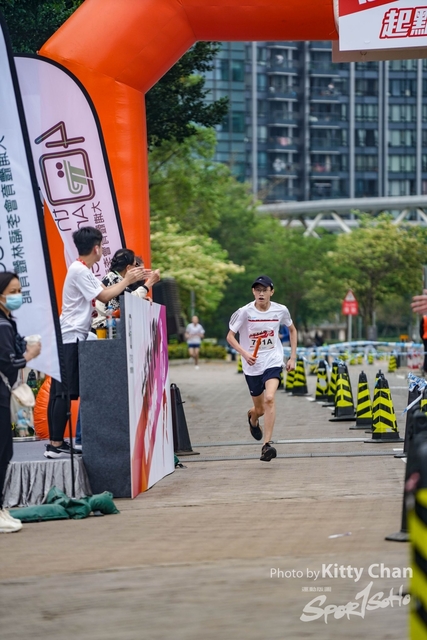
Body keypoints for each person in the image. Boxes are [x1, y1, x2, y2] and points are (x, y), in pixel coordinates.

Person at [45, 227, 145, 459]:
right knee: (63, 392)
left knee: (64, 391)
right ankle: (55, 444)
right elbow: (105, 297)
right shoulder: (79, 270)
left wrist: (133, 281)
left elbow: (107, 291)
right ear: (96, 248)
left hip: (75, 335)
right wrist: (129, 280)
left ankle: (57, 442)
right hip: (69, 335)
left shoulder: (83, 269)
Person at [227, 275, 297, 462]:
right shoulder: (244, 312)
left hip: (273, 360)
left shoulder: (280, 310)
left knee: (270, 398)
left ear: (271, 292)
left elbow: (292, 330)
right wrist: (245, 354)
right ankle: (252, 418)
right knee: (260, 409)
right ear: (253, 291)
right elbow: (230, 337)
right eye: (257, 290)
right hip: (252, 365)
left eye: (264, 290)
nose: (261, 293)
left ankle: (266, 445)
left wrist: (292, 357)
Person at [0, 272, 41, 532]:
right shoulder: (3, 325)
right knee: (3, 451)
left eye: (19, 290)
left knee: (5, 451)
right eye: (12, 292)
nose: (17, 296)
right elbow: (7, 362)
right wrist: (29, 355)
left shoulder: (7, 322)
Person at [92, 249, 160, 331]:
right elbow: (131, 299)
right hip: (101, 329)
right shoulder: (113, 278)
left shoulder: (114, 277)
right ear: (128, 268)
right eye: (135, 265)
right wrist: (149, 283)